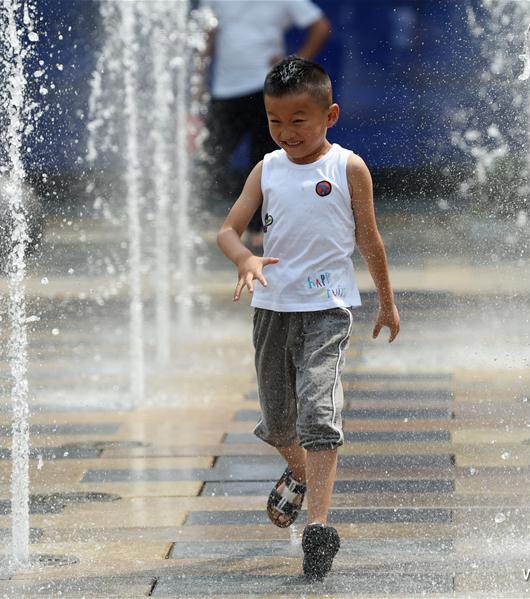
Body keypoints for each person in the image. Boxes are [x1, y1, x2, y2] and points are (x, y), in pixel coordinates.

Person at [216, 56, 400, 581]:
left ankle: (318, 526)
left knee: (319, 414)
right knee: (278, 424)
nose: (287, 132)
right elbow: (228, 230)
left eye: (299, 120)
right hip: (273, 310)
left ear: (330, 116)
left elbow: (369, 238)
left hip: (326, 309)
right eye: (276, 121)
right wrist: (245, 259)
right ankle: (298, 472)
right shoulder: (266, 169)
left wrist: (386, 300)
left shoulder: (347, 168)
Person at [199, 0, 331, 249]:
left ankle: (258, 228)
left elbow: (320, 26)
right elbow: (208, 36)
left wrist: (293, 67)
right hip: (225, 89)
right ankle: (203, 219)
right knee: (212, 158)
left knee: (263, 160)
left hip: (266, 89)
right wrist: (198, 80)